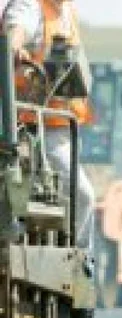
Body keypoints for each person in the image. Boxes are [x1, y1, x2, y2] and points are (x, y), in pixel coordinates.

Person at [2, 0, 95, 252]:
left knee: (68, 201)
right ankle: (80, 262)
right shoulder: (30, 7)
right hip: (36, 129)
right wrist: (13, 46)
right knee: (83, 197)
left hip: (63, 126)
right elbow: (14, 29)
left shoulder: (65, 10)